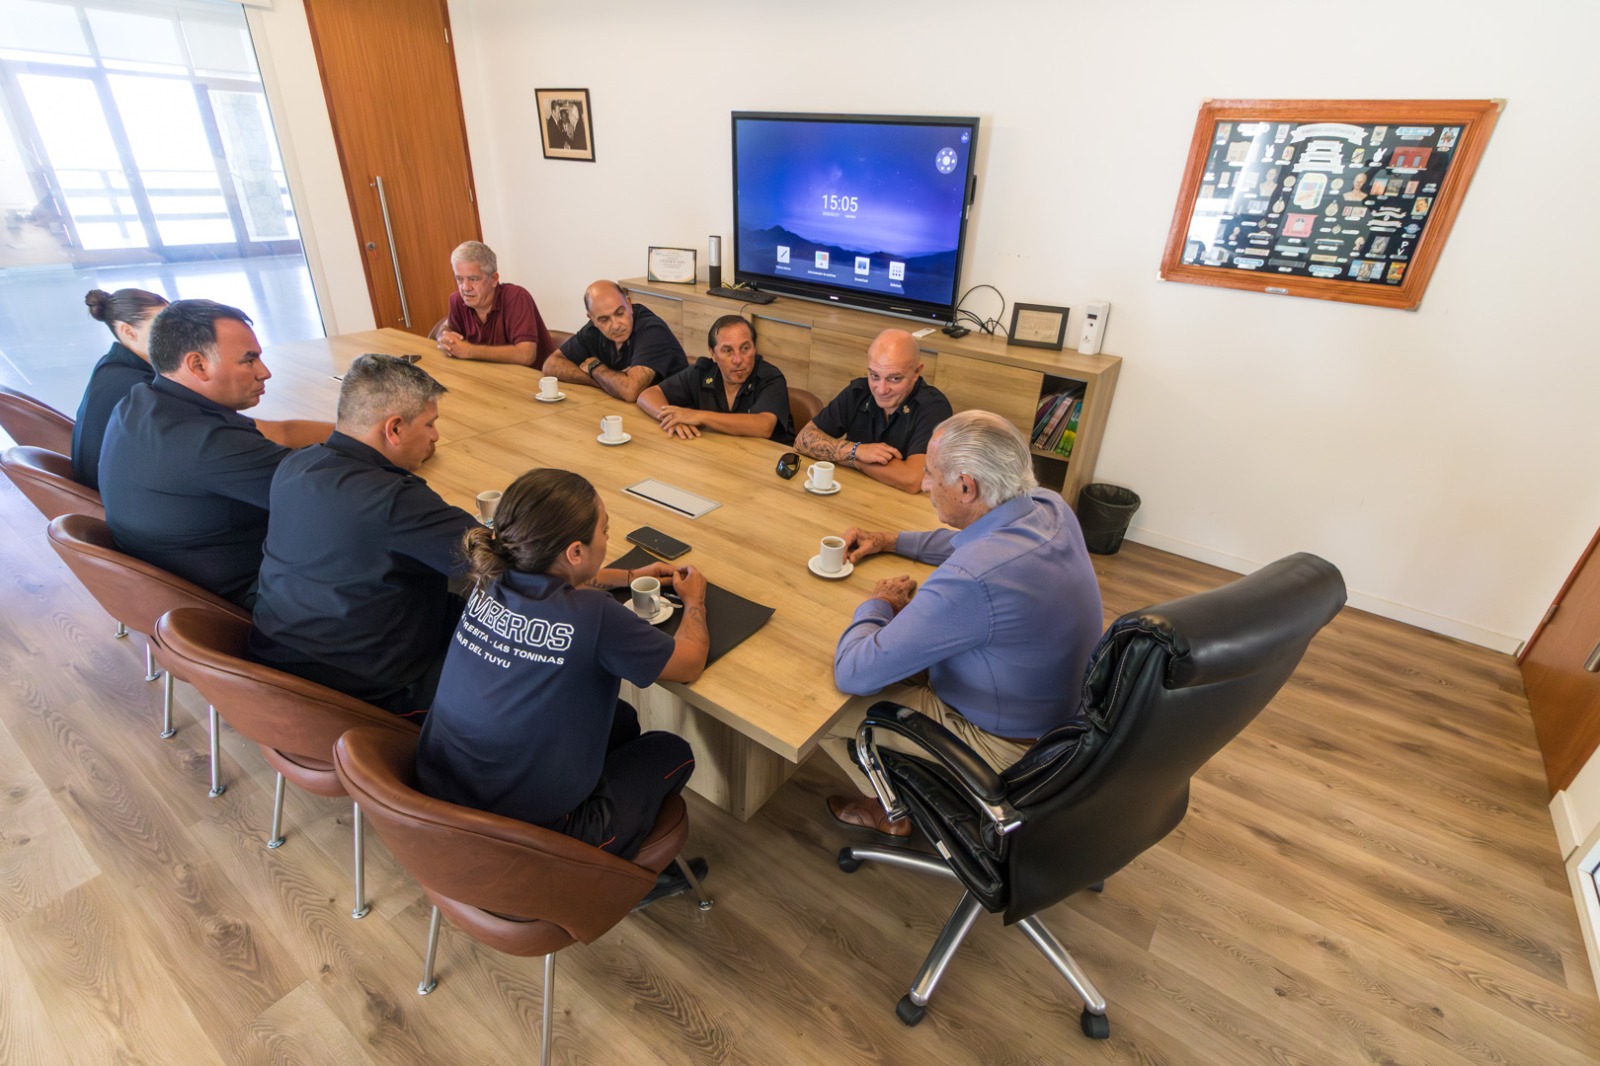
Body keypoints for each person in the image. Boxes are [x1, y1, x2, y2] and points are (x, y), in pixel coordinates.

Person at [820, 411, 1103, 837]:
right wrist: (891, 539)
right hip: (1062, 718)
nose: (926, 484)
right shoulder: (1048, 506)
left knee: (818, 703)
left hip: (1006, 747)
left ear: (967, 486)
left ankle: (893, 808)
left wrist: (879, 603)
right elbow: (970, 540)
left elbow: (854, 673)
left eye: (932, 475)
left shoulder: (973, 579)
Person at [416, 469, 709, 860]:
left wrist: (630, 575)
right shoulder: (594, 615)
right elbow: (689, 663)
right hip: (530, 840)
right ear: (574, 552)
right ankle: (612, 879)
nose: (607, 538)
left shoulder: (490, 577)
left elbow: (558, 584)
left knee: (620, 720)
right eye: (605, 532)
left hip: (439, 806)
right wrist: (695, 602)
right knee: (671, 751)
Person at [247, 354, 479, 716]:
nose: (436, 436)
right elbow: (499, 558)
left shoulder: (296, 463)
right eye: (430, 424)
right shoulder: (394, 499)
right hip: (367, 690)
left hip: (283, 668)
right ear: (395, 429)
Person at [98, 299, 331, 609]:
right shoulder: (208, 444)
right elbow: (338, 494)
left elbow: (279, 433)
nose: (265, 373)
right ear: (197, 365)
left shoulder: (143, 401)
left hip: (187, 580)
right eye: (249, 360)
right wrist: (394, 441)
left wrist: (358, 431)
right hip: (257, 596)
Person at [795, 328, 952, 494]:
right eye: (875, 376)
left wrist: (854, 459)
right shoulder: (858, 392)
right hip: (853, 494)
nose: (881, 389)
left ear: (916, 372)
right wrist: (857, 450)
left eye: (895, 378)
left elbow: (913, 479)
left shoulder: (933, 407)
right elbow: (803, 439)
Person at [635, 314, 795, 444]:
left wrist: (697, 416)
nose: (738, 359)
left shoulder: (770, 377)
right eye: (727, 351)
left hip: (768, 465)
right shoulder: (702, 372)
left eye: (745, 348)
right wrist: (673, 419)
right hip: (720, 457)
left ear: (755, 348)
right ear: (713, 354)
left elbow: (763, 426)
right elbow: (648, 395)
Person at [71, 287, 167, 490]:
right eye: (163, 327)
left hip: (103, 481)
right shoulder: (138, 385)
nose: (177, 334)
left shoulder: (111, 364)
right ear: (128, 331)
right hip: (117, 495)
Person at [542, 280, 689, 403]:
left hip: (674, 414)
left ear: (629, 304)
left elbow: (629, 391)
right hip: (627, 410)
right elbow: (551, 365)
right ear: (592, 319)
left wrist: (595, 368)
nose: (616, 325)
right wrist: (606, 382)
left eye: (620, 313)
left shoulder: (652, 330)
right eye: (604, 319)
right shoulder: (592, 330)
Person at [435, 240, 556, 367]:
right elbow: (447, 327)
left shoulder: (516, 297)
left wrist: (469, 351)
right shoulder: (457, 300)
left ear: (494, 279)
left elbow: (526, 355)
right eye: (459, 279)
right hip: (489, 377)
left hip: (534, 380)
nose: (465, 287)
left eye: (473, 279)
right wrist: (444, 337)